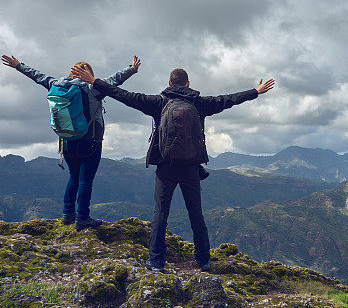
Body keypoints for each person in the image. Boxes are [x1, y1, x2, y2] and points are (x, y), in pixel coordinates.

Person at [69, 63, 274, 272]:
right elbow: (228, 99)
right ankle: (203, 260)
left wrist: (94, 82)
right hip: (191, 168)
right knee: (196, 213)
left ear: (169, 83)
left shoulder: (158, 103)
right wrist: (255, 92)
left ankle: (156, 262)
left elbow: (123, 94)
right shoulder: (200, 103)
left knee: (161, 213)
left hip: (165, 167)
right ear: (188, 83)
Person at [1, 54, 141, 230]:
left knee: (73, 177)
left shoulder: (56, 84)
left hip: (67, 141)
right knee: (85, 181)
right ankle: (82, 218)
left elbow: (37, 76)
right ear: (88, 74)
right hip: (90, 142)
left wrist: (18, 65)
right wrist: (132, 69)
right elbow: (115, 79)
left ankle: (68, 214)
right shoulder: (93, 88)